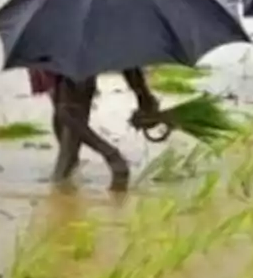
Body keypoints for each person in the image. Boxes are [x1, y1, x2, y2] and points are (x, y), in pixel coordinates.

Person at [27, 66, 161, 192]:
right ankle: (65, 175)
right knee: (68, 101)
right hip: (55, 57)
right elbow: (65, 111)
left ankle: (64, 174)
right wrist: (111, 155)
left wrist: (144, 98)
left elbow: (125, 56)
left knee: (75, 98)